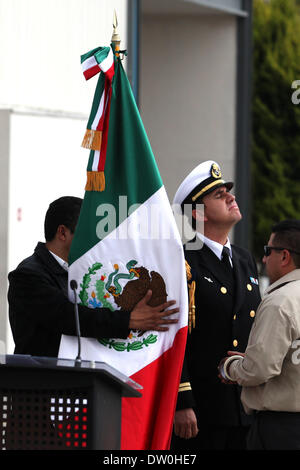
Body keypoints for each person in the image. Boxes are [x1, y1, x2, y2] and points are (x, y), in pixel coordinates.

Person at [8, 196, 179, 358]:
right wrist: (127, 320)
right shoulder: (28, 275)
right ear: (62, 233)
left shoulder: (77, 271)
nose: (93, 242)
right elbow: (67, 316)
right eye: (87, 234)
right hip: (40, 381)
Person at [171, 160, 261, 450]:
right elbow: (173, 334)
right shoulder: (183, 261)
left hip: (244, 405)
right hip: (202, 408)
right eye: (220, 196)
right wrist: (182, 401)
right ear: (198, 213)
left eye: (228, 192)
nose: (231, 198)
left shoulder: (244, 258)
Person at [219, 219, 300, 450]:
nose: (264, 259)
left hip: (280, 429)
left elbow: (259, 369)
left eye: (268, 251)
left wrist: (231, 366)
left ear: (284, 256)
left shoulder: (281, 302)